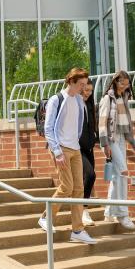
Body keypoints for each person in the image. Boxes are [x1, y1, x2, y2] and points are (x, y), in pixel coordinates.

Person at [38, 67, 96, 244]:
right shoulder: (57, 99)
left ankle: (77, 230)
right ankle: (46, 217)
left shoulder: (79, 100)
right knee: (67, 187)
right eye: (81, 84)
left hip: (75, 148)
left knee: (79, 189)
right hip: (61, 148)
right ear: (71, 82)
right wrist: (57, 151)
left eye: (86, 85)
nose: (83, 89)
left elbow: (78, 126)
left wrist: (76, 144)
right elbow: (48, 128)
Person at [98, 70, 135, 230]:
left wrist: (132, 141)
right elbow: (102, 123)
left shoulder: (124, 98)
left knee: (116, 176)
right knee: (122, 172)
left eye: (127, 83)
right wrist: (105, 144)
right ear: (115, 82)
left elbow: (126, 123)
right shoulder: (107, 98)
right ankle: (122, 214)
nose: (125, 85)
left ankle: (109, 211)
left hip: (121, 138)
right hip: (110, 140)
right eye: (122, 82)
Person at [80, 79, 98, 227]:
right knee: (90, 175)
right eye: (85, 90)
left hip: (89, 148)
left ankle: (82, 209)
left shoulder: (90, 104)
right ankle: (83, 210)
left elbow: (93, 126)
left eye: (90, 91)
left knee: (88, 178)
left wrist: (95, 141)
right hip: (76, 148)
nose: (88, 93)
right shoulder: (74, 103)